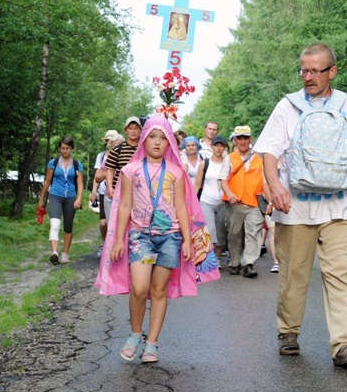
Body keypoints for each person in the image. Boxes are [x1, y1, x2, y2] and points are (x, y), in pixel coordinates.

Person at [254, 43, 347, 367]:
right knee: (294, 274)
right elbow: (268, 152)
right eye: (303, 70)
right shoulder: (287, 107)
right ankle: (288, 331)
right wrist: (275, 186)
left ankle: (344, 346)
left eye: (315, 71)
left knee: (339, 275)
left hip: (339, 206)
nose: (308, 77)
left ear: (332, 71)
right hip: (296, 207)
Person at [96, 115, 219, 363]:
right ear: (143, 139)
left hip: (170, 239)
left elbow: (182, 208)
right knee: (140, 289)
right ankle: (134, 335)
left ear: (170, 143)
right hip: (141, 238)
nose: (157, 142)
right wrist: (119, 239)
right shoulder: (130, 169)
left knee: (159, 290)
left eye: (163, 138)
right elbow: (124, 205)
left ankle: (152, 344)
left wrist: (186, 240)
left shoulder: (176, 171)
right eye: (152, 136)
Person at [220, 126, 271, 278]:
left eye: (245, 138)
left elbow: (265, 182)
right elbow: (223, 180)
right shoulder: (229, 158)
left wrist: (270, 202)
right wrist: (229, 194)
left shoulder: (260, 159)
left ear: (251, 139)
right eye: (239, 138)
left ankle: (249, 264)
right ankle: (235, 263)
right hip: (234, 203)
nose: (242, 141)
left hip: (255, 202)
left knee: (253, 233)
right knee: (234, 233)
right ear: (234, 140)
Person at [37, 136, 84, 265]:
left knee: (68, 228)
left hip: (70, 198)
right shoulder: (53, 163)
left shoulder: (76, 164)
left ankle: (65, 254)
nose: (65, 151)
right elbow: (47, 182)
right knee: (55, 224)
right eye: (63, 148)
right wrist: (41, 200)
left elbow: (80, 184)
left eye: (67, 148)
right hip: (55, 196)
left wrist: (79, 198)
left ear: (71, 149)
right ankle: (54, 253)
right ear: (59, 148)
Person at [195, 135, 229, 266]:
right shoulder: (205, 163)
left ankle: (218, 257)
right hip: (206, 201)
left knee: (221, 231)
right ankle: (210, 258)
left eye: (221, 146)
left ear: (225, 148)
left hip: (223, 201)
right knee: (210, 229)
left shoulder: (228, 163)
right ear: (212, 147)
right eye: (216, 145)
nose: (219, 148)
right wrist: (191, 202)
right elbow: (197, 183)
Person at [105, 117, 142, 217]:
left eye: (136, 128)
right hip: (120, 190)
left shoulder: (143, 150)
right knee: (119, 218)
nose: (133, 131)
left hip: (140, 192)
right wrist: (110, 187)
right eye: (130, 128)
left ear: (140, 130)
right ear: (126, 130)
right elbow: (110, 170)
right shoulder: (118, 149)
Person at [90, 130, 119, 255]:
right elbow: (97, 175)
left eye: (112, 140)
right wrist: (93, 191)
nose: (110, 142)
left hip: (117, 192)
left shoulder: (121, 153)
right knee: (103, 222)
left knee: (115, 221)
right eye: (108, 140)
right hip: (103, 192)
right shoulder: (101, 156)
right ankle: (105, 243)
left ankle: (112, 246)